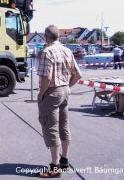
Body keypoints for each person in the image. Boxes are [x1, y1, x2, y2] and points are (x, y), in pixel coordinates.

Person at [37, 25, 82, 178]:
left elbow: (46, 77)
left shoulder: (47, 52)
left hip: (51, 92)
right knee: (64, 126)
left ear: (46, 36)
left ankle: (54, 166)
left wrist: (41, 94)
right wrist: (66, 86)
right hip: (64, 91)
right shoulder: (67, 50)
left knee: (50, 127)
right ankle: (64, 160)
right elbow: (78, 75)